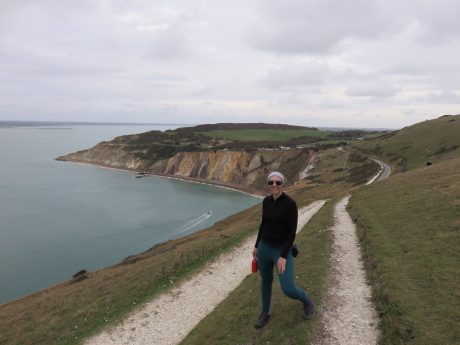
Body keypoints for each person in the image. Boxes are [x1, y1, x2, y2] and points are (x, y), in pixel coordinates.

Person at [252, 171, 315, 329]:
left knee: (288, 289)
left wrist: (283, 256)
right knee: (266, 281)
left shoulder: (290, 204)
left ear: (282, 184)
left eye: (278, 182)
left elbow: (292, 232)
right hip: (265, 248)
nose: (274, 185)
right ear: (268, 184)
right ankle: (265, 313)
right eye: (271, 182)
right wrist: (256, 246)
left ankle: (307, 301)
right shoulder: (266, 201)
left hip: (281, 249)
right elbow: (263, 224)